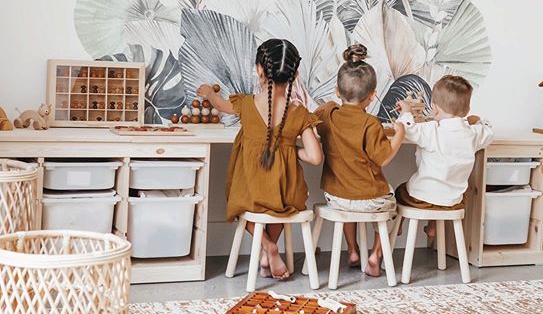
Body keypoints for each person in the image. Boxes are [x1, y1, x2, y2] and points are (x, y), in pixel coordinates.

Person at [198, 38, 323, 280]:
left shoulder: (245, 104)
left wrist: (208, 95)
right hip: (285, 195)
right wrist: (289, 148)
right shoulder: (300, 114)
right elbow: (316, 158)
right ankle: (269, 249)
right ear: (295, 74)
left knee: (240, 202)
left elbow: (221, 105)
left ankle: (267, 245)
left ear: (258, 69)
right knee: (281, 205)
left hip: (250, 193)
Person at [315, 44, 405, 277]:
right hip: (369, 200)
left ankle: (353, 250)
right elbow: (383, 158)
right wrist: (400, 134)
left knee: (347, 196)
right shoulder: (371, 124)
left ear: (337, 90)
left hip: (336, 198)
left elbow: (316, 117)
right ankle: (375, 255)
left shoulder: (327, 113)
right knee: (393, 205)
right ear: (373, 95)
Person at [395, 74, 493, 237]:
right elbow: (489, 132)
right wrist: (478, 121)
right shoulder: (472, 133)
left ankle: (398, 226)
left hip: (421, 198)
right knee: (441, 192)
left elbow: (408, 129)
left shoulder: (430, 130)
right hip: (453, 202)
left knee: (400, 191)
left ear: (434, 108)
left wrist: (406, 111)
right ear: (467, 110)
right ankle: (433, 227)